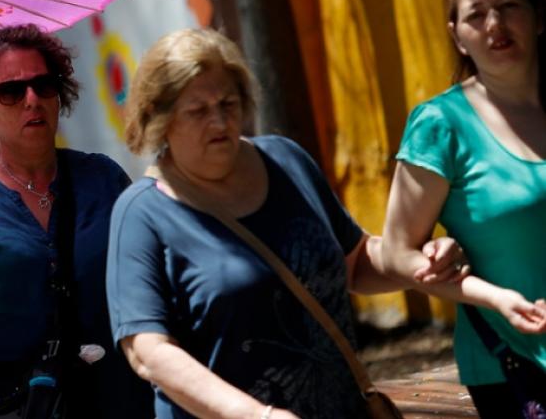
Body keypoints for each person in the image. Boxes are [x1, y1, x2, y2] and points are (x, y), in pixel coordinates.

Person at [106, 28, 469, 419]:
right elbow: (148, 352)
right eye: (198, 111)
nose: (220, 121)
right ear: (159, 120)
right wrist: (254, 415)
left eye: (228, 103)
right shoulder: (141, 213)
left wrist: (419, 261)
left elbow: (356, 261)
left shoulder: (286, 160)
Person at [0, 24, 153, 418]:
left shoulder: (102, 179)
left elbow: (152, 277)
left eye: (44, 85)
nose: (32, 100)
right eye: (11, 91)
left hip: (117, 400)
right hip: (17, 406)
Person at [380, 0, 546, 417]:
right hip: (517, 367)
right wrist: (494, 297)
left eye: (508, 6)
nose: (495, 24)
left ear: (538, 17)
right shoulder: (441, 124)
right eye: (476, 15)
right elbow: (395, 254)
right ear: (457, 36)